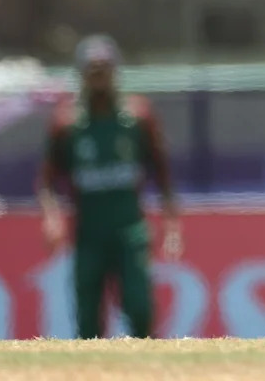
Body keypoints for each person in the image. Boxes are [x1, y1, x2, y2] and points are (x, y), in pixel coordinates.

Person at [36, 34, 182, 339]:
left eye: (104, 68)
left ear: (115, 70)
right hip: (88, 235)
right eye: (92, 69)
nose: (99, 76)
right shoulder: (67, 123)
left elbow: (162, 172)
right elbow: (47, 181)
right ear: (81, 73)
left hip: (130, 232)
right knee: (88, 324)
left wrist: (172, 225)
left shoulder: (137, 116)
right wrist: (52, 218)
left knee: (141, 310)